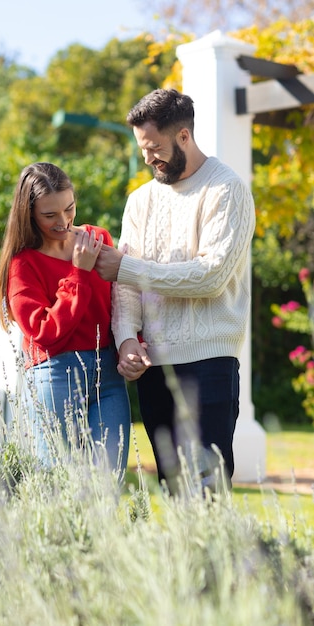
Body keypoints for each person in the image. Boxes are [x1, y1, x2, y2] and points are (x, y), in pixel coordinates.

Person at [95, 88, 256, 492]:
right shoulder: (140, 201)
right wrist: (127, 338)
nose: (148, 158)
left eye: (155, 148)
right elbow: (126, 286)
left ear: (184, 136)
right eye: (143, 148)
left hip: (209, 363)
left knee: (206, 493)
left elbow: (210, 275)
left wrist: (126, 267)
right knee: (174, 490)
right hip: (155, 369)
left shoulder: (226, 190)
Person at [0, 162, 131, 477]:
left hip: (107, 374)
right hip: (55, 376)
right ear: (29, 214)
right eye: (50, 215)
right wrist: (79, 272)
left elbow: (120, 301)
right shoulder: (23, 264)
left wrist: (131, 344)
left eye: (69, 209)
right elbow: (45, 332)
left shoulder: (97, 238)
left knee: (109, 483)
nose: (63, 221)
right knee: (59, 487)